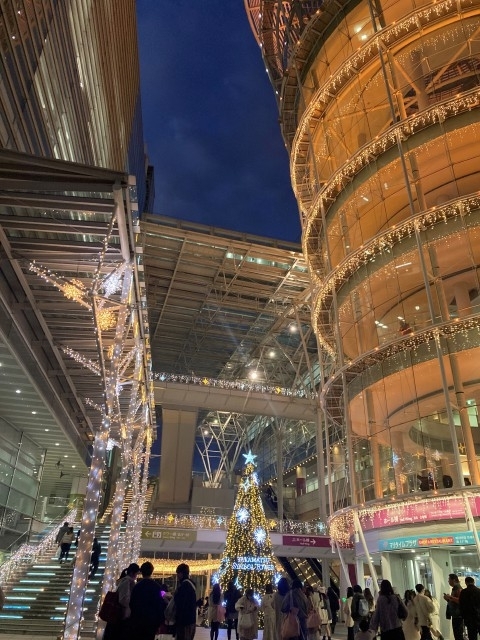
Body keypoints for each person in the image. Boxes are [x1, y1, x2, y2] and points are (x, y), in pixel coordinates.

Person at [128, 561, 166, 640]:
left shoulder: (137, 587)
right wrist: (160, 622)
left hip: (138, 621)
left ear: (141, 572)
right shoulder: (156, 587)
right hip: (151, 622)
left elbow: (132, 604)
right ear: (151, 572)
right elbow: (159, 605)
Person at [103, 563, 140, 640]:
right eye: (136, 574)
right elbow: (123, 599)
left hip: (118, 615)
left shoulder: (124, 581)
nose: (136, 576)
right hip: (121, 615)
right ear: (132, 573)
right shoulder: (128, 582)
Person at [174, 562, 197, 640]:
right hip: (191, 620)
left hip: (184, 622)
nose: (177, 576)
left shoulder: (184, 586)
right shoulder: (191, 584)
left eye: (177, 573)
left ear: (181, 574)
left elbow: (180, 603)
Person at [443, 573, 463, 640]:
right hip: (455, 615)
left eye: (449, 579)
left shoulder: (458, 588)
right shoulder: (455, 588)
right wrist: (448, 599)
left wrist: (450, 597)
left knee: (458, 635)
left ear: (454, 580)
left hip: (458, 615)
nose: (448, 581)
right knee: (457, 634)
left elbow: (460, 601)